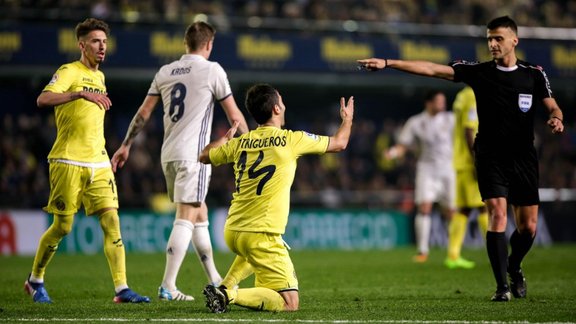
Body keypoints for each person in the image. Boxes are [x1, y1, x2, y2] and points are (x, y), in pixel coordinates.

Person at [358, 16, 564, 301]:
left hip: (523, 157)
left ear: (514, 40)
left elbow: (553, 106)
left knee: (528, 227)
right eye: (489, 39)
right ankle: (501, 287)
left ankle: (514, 267)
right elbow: (432, 69)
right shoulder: (479, 72)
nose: (492, 44)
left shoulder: (534, 74)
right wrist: (387, 62)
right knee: (497, 214)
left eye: (498, 39)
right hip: (489, 155)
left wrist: (556, 118)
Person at [111, 21, 248, 301]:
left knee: (200, 214)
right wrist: (256, 145)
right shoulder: (213, 70)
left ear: (186, 43)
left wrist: (126, 145)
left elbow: (143, 114)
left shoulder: (165, 71)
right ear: (209, 44)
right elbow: (235, 116)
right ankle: (168, 286)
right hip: (194, 156)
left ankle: (216, 279)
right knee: (186, 215)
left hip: (169, 154)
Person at [198, 84, 354, 312]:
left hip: (233, 230)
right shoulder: (291, 140)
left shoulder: (240, 142)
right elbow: (340, 143)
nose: (284, 104)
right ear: (276, 109)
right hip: (261, 233)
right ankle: (227, 295)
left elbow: (203, 156)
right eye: (281, 100)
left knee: (254, 253)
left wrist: (225, 139)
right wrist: (347, 119)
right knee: (289, 303)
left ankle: (224, 285)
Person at [25, 18, 150, 304]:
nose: (101, 46)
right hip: (67, 160)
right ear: (82, 45)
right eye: (95, 41)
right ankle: (35, 280)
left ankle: (122, 289)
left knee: (112, 222)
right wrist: (79, 93)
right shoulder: (69, 71)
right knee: (63, 227)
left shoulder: (101, 77)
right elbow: (43, 100)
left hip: (99, 162)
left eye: (104, 41)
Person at [385, 90, 474, 268]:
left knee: (451, 212)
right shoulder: (416, 122)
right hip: (427, 169)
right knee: (424, 207)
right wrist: (393, 153)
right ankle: (422, 251)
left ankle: (454, 253)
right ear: (429, 103)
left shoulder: (451, 119)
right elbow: (403, 145)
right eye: (439, 101)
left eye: (443, 101)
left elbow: (467, 132)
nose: (442, 104)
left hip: (449, 169)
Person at [449, 86, 489, 269]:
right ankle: (496, 251)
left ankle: (453, 254)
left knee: (464, 208)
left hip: (459, 160)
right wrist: (476, 159)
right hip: (468, 161)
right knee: (484, 207)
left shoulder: (462, 95)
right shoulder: (474, 95)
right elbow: (469, 129)